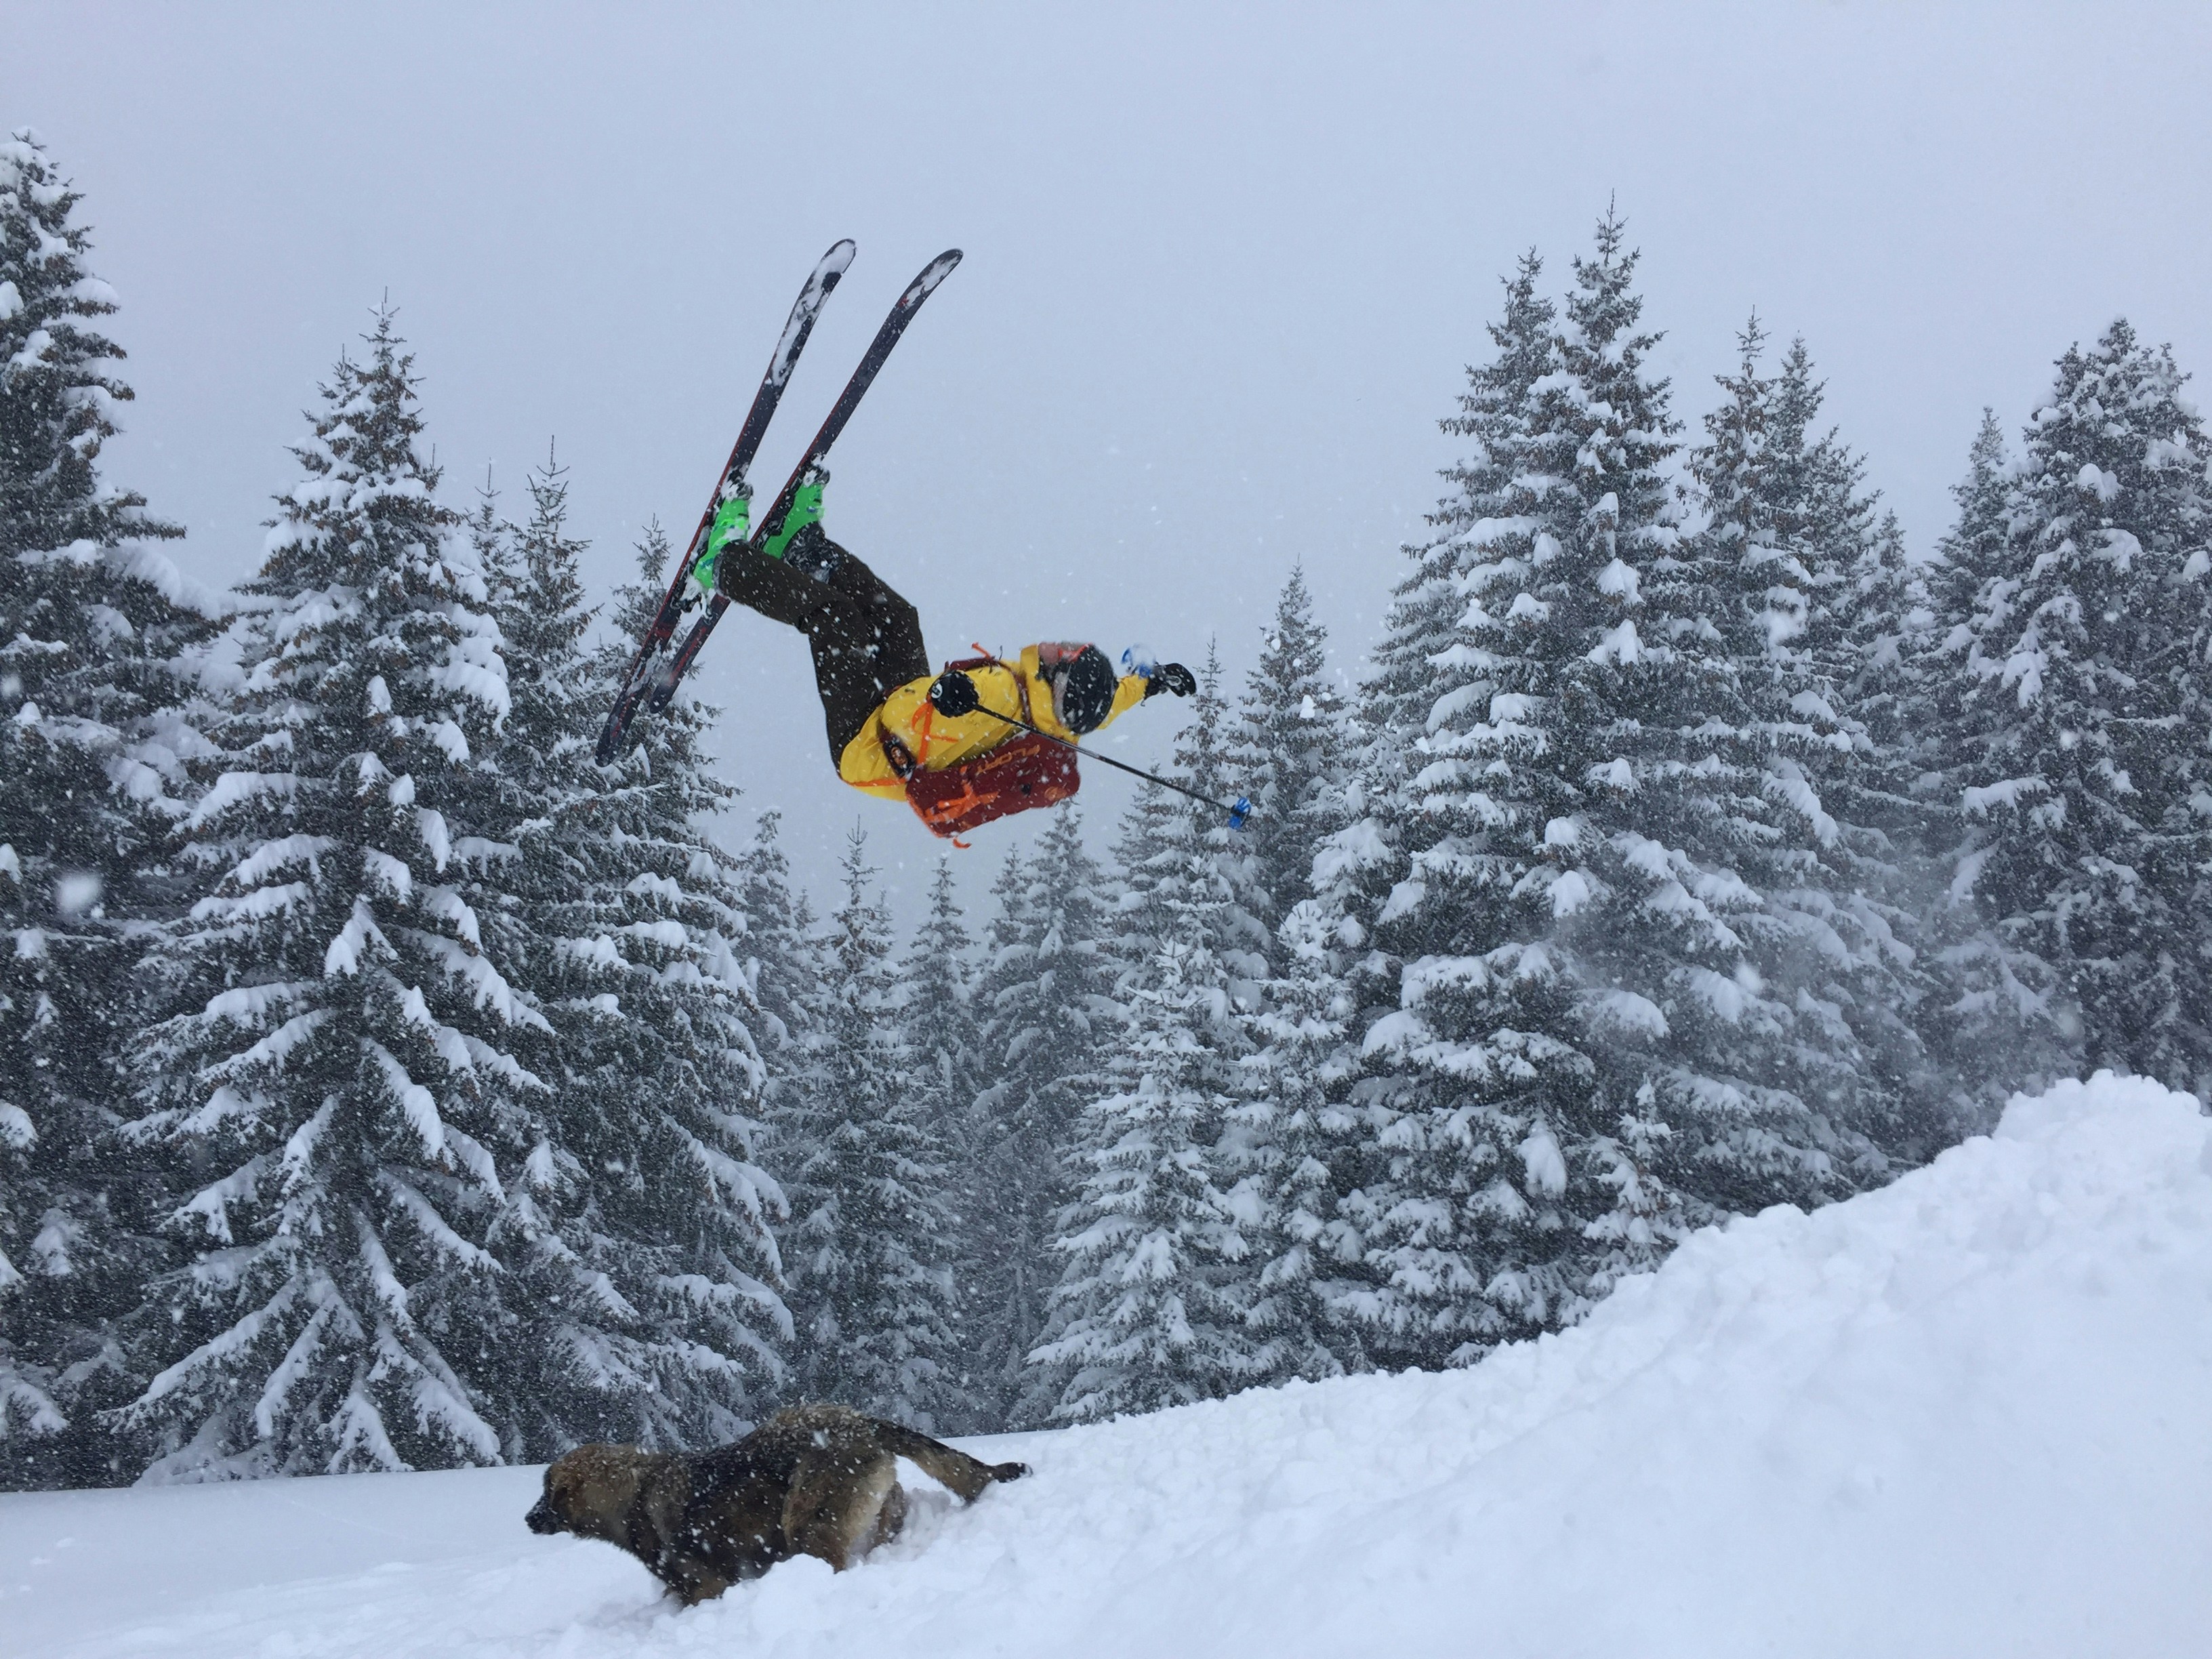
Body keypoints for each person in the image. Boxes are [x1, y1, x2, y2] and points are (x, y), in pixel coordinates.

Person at [710, 470, 1195, 838]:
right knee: (897, 617)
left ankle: (723, 564)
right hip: (905, 705)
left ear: (1059, 678)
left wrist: (947, 698)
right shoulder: (1058, 713)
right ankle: (800, 546)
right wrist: (1153, 683)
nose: (1058, 644)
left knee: (835, 619)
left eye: (1065, 653)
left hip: (870, 744)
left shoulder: (1000, 697)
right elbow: (1108, 705)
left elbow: (923, 733)